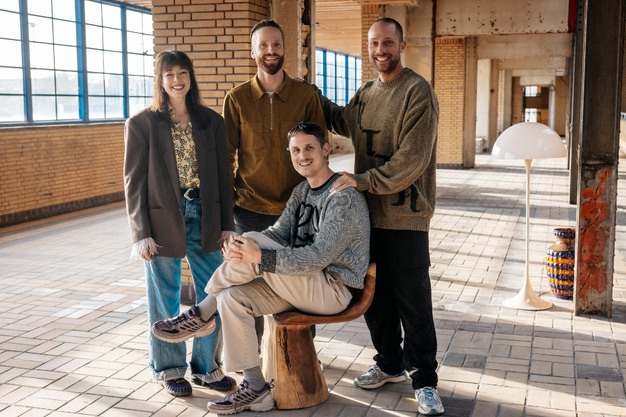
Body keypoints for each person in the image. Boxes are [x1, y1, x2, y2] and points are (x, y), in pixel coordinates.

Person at [151, 122, 371, 415]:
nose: (302, 156)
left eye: (309, 148)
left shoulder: (342, 196)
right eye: (295, 150)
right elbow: (277, 233)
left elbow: (318, 257)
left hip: (333, 290)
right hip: (302, 284)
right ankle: (256, 388)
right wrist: (240, 248)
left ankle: (202, 313)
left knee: (255, 244)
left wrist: (257, 254)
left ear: (326, 149)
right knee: (231, 297)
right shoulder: (302, 191)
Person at [312, 18, 444, 416]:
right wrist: (309, 93)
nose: (380, 50)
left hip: (405, 217)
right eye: (374, 43)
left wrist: (361, 180)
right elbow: (343, 121)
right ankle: (389, 364)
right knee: (374, 298)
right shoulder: (368, 92)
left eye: (388, 42)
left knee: (413, 301)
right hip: (367, 216)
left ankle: (424, 380)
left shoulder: (418, 92)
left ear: (402, 45)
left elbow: (412, 160)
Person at [123, 50, 236, 397]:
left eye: (182, 72)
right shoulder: (142, 124)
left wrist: (227, 224)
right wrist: (140, 233)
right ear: (160, 80)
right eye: (169, 74)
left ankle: (206, 367)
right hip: (161, 219)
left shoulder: (211, 121)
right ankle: (169, 369)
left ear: (191, 77)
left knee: (214, 292)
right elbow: (133, 182)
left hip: (206, 214)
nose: (176, 80)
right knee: (164, 298)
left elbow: (224, 176)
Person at [223, 19, 328, 345]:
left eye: (277, 45)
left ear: (285, 50)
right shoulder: (237, 98)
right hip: (249, 209)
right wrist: (228, 212)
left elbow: (320, 150)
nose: (271, 51)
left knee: (300, 287)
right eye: (264, 45)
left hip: (297, 210)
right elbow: (226, 157)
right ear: (253, 51)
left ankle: (301, 355)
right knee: (246, 287)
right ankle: (250, 359)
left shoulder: (305, 96)